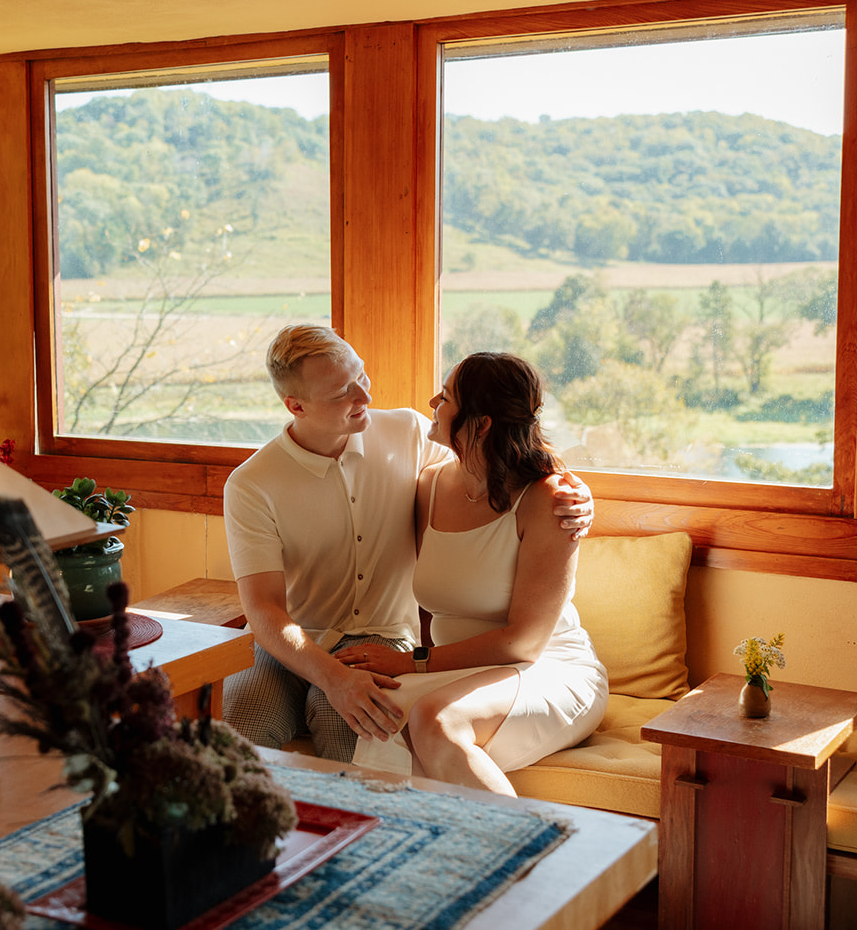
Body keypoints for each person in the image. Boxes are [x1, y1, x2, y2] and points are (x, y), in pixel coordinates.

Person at [221, 325, 593, 762]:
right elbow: (264, 610)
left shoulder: (410, 434)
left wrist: (573, 493)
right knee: (238, 728)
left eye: (361, 376)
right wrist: (332, 677)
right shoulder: (251, 484)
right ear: (296, 406)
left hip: (384, 637)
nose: (364, 396)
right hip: (292, 643)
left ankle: (351, 809)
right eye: (342, 392)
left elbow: (496, 467)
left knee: (353, 726)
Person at [336, 352, 608, 793]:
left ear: (481, 424)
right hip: (463, 672)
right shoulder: (430, 485)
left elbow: (523, 643)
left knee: (436, 719)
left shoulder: (550, 500)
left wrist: (409, 662)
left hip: (545, 667)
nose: (432, 402)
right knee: (382, 714)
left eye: (445, 397)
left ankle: (528, 837)